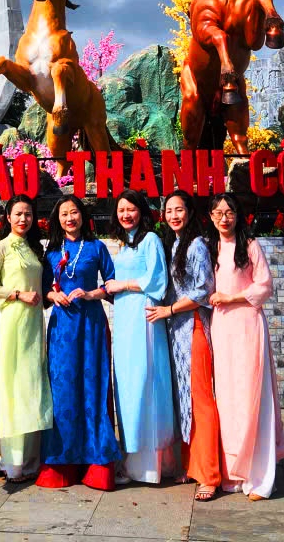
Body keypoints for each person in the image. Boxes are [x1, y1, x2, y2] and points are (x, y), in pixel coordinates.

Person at [205, 193, 284, 500]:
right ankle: (232, 474)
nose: (224, 218)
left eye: (229, 212)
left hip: (247, 324)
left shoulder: (250, 245)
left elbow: (264, 285)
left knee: (252, 396)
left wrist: (232, 297)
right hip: (221, 328)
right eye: (218, 213)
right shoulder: (210, 248)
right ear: (211, 217)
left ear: (238, 215)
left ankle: (258, 478)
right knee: (227, 400)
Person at [37, 195, 121, 491]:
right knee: (62, 390)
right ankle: (62, 464)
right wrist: (52, 296)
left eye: (74, 213)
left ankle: (97, 463)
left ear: (83, 216)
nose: (69, 218)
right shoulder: (51, 253)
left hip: (92, 326)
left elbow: (111, 284)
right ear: (57, 220)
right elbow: (43, 289)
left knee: (93, 388)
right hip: (62, 329)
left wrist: (90, 293)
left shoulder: (97, 248)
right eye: (64, 214)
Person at [146, 189, 222, 501]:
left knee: (201, 400)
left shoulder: (197, 245)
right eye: (169, 210)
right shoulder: (174, 244)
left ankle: (210, 475)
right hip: (177, 331)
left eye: (179, 210)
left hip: (194, 327)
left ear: (190, 213)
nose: (174, 215)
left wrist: (170, 309)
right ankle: (193, 465)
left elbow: (203, 290)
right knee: (184, 399)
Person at [104, 189, 175, 484]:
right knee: (128, 385)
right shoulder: (125, 244)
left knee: (145, 382)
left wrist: (122, 285)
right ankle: (130, 455)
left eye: (131, 209)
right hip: (124, 322)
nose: (126, 215)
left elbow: (156, 281)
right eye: (121, 210)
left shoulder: (150, 240)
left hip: (145, 318)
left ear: (142, 211)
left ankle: (149, 464)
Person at [0, 194, 53, 482]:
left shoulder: (33, 248)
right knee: (12, 387)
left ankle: (32, 457)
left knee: (32, 385)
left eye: (28, 214)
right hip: (12, 323)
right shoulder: (2, 248)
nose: (23, 219)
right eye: (18, 214)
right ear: (8, 217)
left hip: (34, 324)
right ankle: (13, 460)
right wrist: (17, 294)